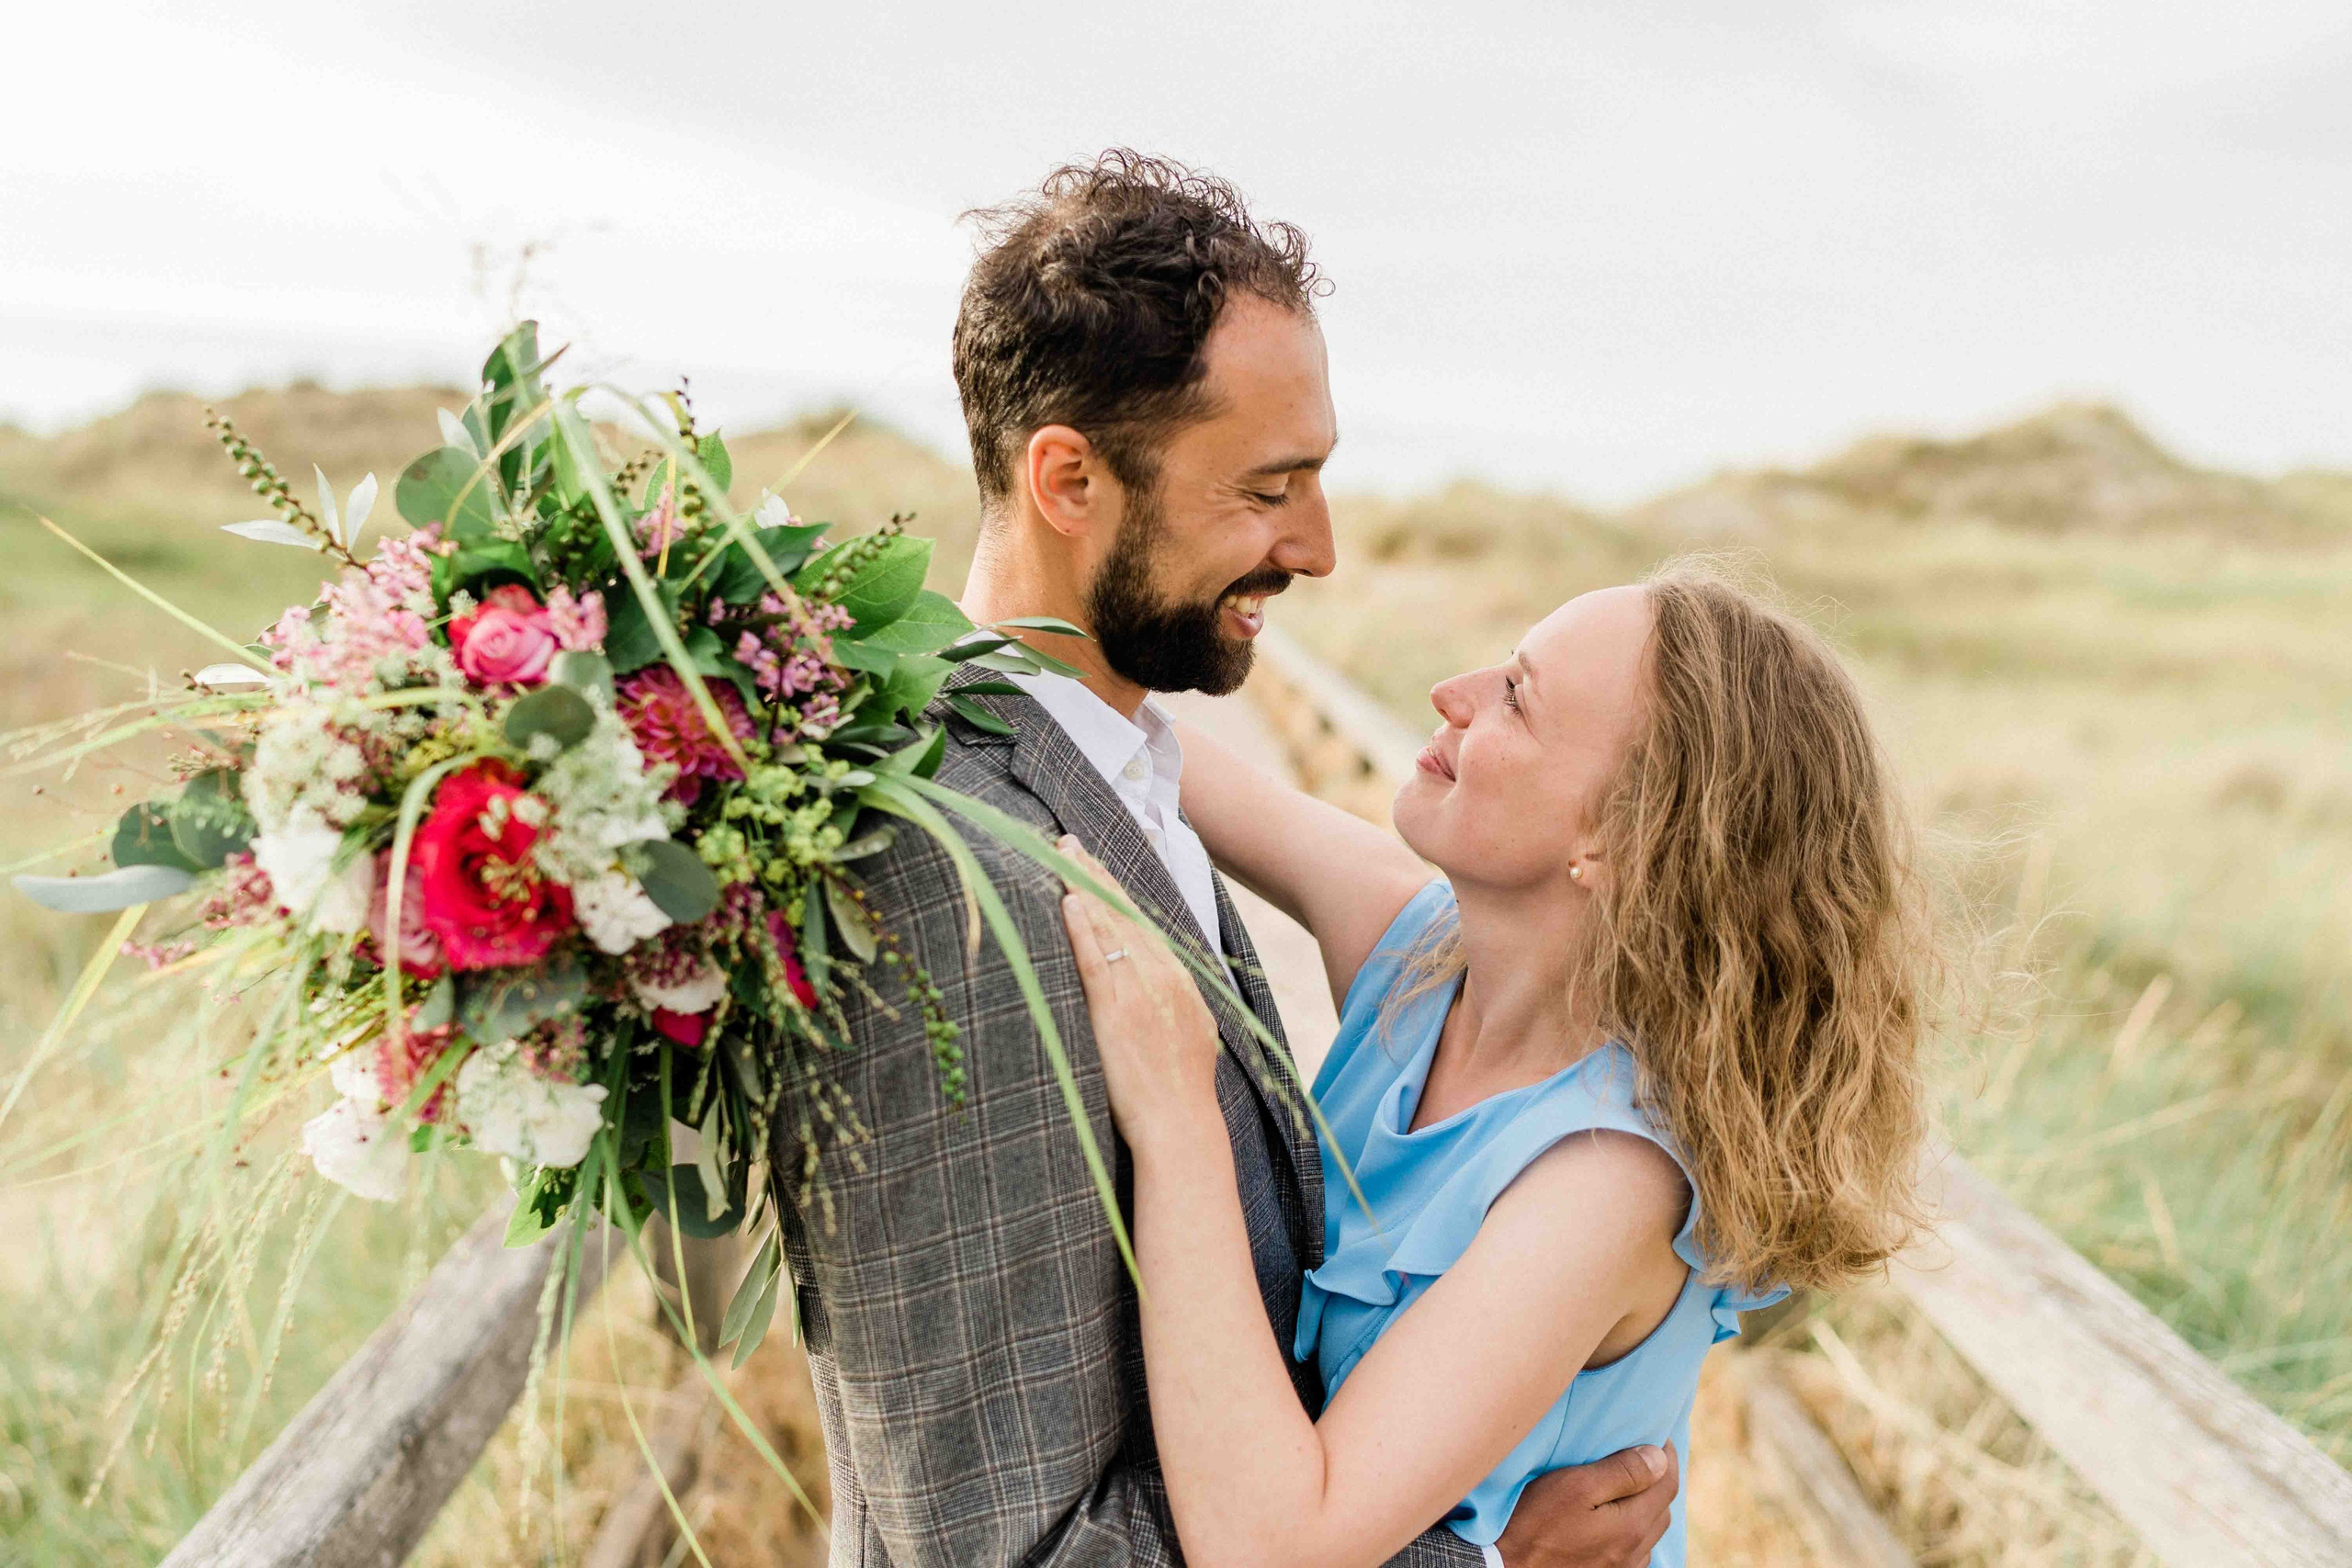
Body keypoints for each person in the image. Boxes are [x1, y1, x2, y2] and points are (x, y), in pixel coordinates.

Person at [774, 151, 1679, 1565]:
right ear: (1069, 478)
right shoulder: (949, 882)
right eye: (1270, 487)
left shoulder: (1118, 767)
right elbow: (994, 1536)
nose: (1317, 547)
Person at [1057, 566, 1936, 1567]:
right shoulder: (1422, 957)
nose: (1452, 694)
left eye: (1517, 695)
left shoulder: (1603, 1182)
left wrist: (1177, 1114)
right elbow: (1122, 745)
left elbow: (1269, 1547)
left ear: (1621, 836)